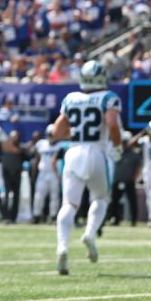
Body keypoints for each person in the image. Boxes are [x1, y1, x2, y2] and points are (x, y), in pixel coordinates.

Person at [51, 60, 123, 275]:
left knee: (69, 204)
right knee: (100, 198)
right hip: (96, 152)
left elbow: (56, 132)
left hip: (73, 152)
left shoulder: (71, 98)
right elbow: (112, 125)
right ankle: (90, 233)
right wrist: (117, 146)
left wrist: (71, 134)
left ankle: (62, 246)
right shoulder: (108, 98)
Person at [30, 124, 62, 224]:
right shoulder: (41, 144)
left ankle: (53, 216)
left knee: (54, 196)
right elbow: (34, 156)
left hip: (54, 173)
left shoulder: (60, 146)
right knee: (39, 195)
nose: (51, 136)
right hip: (42, 173)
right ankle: (36, 215)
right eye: (50, 134)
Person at [0, 130, 24, 224]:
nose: (15, 139)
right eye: (14, 136)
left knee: (16, 196)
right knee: (5, 195)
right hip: (6, 175)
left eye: (17, 137)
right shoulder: (4, 147)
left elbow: (27, 156)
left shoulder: (20, 149)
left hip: (16, 174)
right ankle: (5, 216)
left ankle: (13, 217)